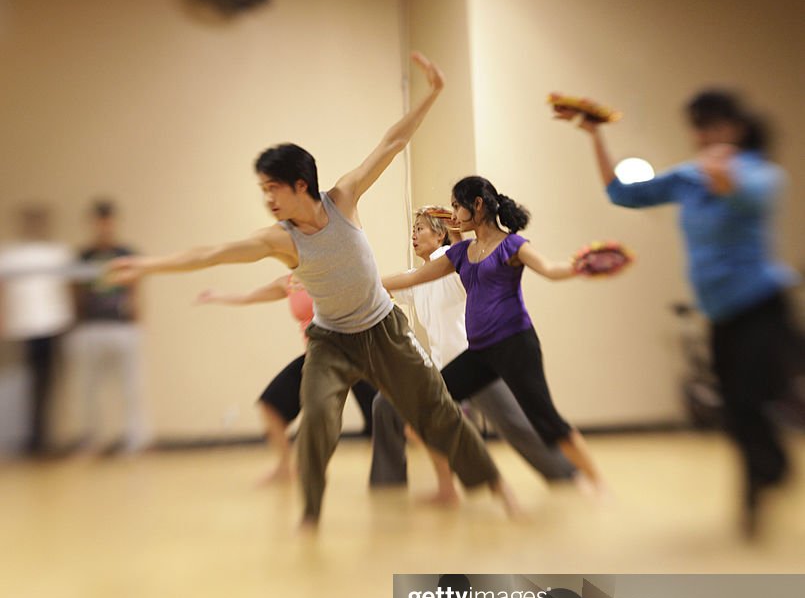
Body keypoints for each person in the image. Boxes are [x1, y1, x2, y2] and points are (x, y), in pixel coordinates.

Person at [108, 53, 513, 527]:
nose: (268, 200)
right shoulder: (280, 239)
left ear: (302, 185)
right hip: (331, 340)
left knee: (436, 409)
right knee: (319, 416)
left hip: (384, 329)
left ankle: (498, 488)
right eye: (263, 190)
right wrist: (147, 265)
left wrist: (434, 94)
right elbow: (211, 253)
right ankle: (310, 514)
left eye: (273, 188)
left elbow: (392, 142)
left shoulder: (343, 198)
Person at [555, 89, 797, 533]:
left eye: (714, 126)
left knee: (753, 400)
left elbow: (751, 198)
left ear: (735, 130)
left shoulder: (756, 173)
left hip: (762, 307)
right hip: (721, 314)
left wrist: (724, 175)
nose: (704, 136)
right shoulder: (688, 177)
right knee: (736, 408)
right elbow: (623, 194)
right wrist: (595, 136)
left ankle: (760, 487)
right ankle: (767, 476)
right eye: (699, 127)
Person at [382, 176, 606, 491]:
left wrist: (581, 266)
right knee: (426, 405)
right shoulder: (461, 254)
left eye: (458, 206)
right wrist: (364, 283)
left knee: (545, 420)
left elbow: (551, 270)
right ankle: (466, 483)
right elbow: (413, 277)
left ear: (477, 205)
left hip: (515, 344)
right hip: (480, 352)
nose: (454, 213)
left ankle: (594, 481)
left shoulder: (511, 244)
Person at [196, 275, 376, 483]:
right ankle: (285, 468)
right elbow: (250, 296)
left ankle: (400, 459)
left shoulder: (331, 268)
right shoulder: (289, 281)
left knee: (388, 417)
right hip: (315, 359)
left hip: (354, 354)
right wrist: (219, 295)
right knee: (270, 407)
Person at [71, 199, 149, 454]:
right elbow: (76, 290)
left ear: (114, 222)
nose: (103, 226)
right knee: (89, 387)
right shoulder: (83, 256)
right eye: (98, 221)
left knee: (130, 385)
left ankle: (135, 438)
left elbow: (136, 289)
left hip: (122, 326)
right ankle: (92, 438)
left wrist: (138, 319)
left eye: (107, 221)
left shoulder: (125, 252)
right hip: (91, 326)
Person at [0, 205, 74, 455]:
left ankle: (45, 437)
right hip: (26, 326)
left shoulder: (57, 252)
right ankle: (31, 436)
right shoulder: (12, 253)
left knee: (49, 382)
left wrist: (69, 319)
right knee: (28, 383)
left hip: (53, 324)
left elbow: (67, 289)